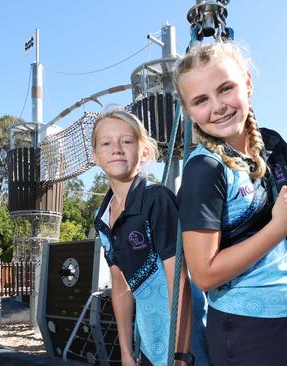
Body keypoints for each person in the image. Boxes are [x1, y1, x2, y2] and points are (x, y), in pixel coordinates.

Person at [173, 42, 287, 366]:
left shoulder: (273, 143)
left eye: (226, 89)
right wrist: (279, 224)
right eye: (201, 100)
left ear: (247, 83)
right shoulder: (204, 170)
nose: (218, 106)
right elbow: (205, 274)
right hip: (248, 329)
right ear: (189, 110)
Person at [91, 107, 208, 366]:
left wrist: (181, 354)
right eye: (106, 142)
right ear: (95, 156)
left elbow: (178, 281)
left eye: (127, 141)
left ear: (143, 152)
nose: (116, 148)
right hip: (150, 334)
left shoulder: (157, 199)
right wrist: (125, 353)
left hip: (184, 332)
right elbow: (120, 287)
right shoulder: (103, 217)